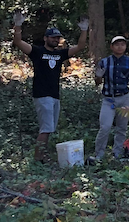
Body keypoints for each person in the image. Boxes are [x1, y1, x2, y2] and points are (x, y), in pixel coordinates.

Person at [12, 12, 89, 163]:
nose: (55, 40)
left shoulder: (60, 54)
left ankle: (42, 155)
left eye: (57, 38)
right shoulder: (37, 52)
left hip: (54, 95)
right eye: (53, 37)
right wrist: (18, 25)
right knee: (46, 128)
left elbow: (80, 46)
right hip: (42, 94)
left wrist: (84, 30)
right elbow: (18, 42)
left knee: (49, 128)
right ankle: (38, 157)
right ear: (46, 38)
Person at [91, 36, 129, 164]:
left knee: (122, 127)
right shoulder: (104, 62)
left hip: (124, 98)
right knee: (105, 127)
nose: (120, 47)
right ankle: (99, 155)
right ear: (111, 47)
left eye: (122, 44)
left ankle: (117, 153)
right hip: (108, 99)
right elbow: (97, 81)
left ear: (125, 47)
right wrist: (98, 76)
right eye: (117, 44)